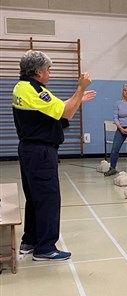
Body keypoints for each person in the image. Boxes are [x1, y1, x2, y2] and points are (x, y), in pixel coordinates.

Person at [12, 50, 96, 261]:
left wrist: (77, 100)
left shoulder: (22, 87)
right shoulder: (35, 90)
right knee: (48, 198)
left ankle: (30, 240)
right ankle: (45, 248)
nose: (50, 73)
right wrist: (79, 89)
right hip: (40, 152)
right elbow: (65, 113)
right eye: (48, 69)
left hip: (29, 149)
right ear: (39, 72)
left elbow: (54, 112)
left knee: (34, 198)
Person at [104, 84, 127, 176]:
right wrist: (120, 128)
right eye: (125, 90)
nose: (126, 92)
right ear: (122, 92)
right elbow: (115, 117)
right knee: (114, 149)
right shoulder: (118, 103)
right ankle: (112, 168)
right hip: (120, 128)